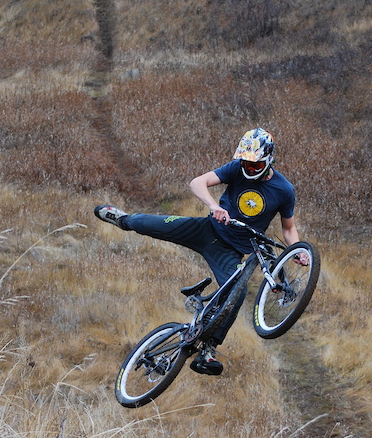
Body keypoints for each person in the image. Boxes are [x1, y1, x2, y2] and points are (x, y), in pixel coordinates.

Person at [94, 127, 304, 376]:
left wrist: (298, 251)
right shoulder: (236, 169)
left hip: (230, 252)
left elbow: (288, 228)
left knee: (236, 294)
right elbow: (198, 182)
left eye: (255, 166)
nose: (249, 169)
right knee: (150, 224)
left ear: (268, 159)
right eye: (245, 164)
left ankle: (208, 351)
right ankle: (123, 220)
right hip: (205, 230)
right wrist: (214, 206)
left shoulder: (284, 190)